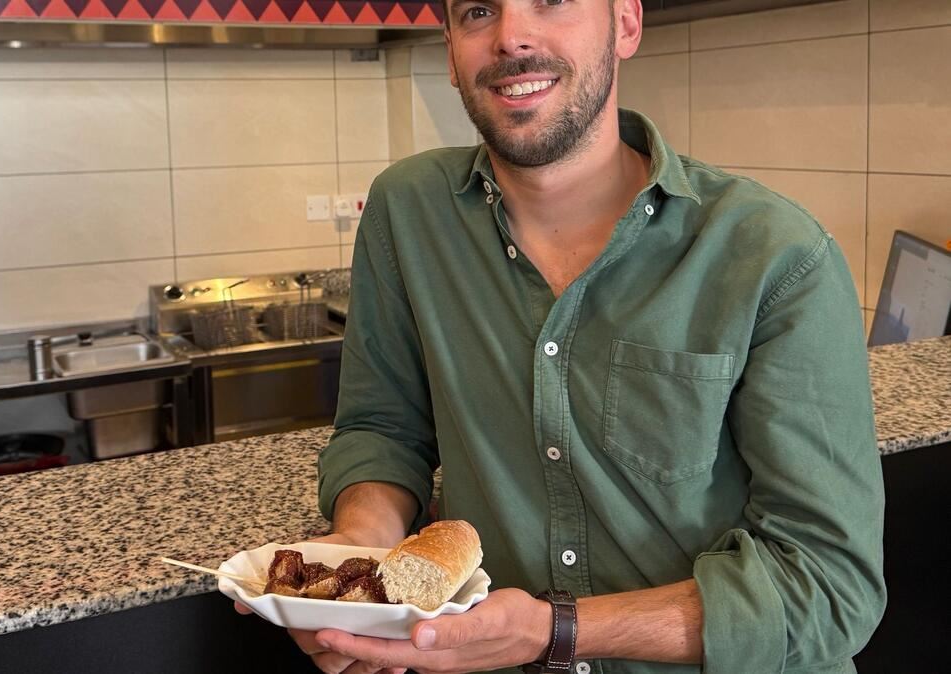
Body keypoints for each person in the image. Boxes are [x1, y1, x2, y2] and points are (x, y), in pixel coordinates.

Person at [240, 1, 887, 672]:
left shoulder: (774, 254)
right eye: (478, 12)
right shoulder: (408, 213)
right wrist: (360, 563)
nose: (512, 36)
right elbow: (384, 428)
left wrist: (557, 631)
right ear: (452, 52)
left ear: (626, 23)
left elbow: (829, 587)